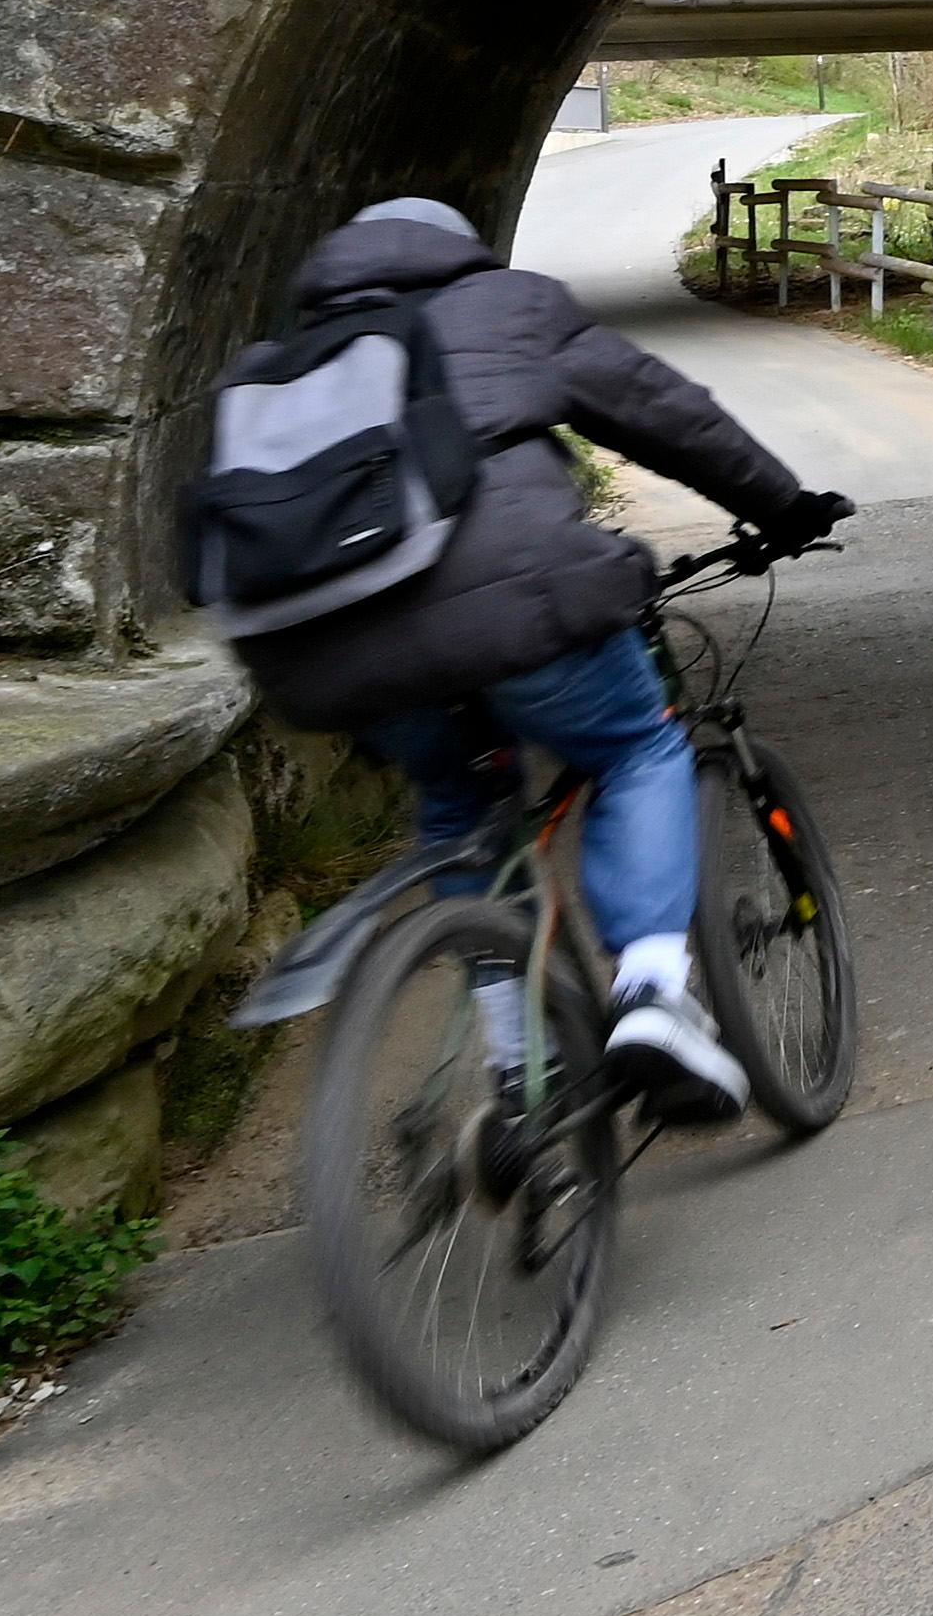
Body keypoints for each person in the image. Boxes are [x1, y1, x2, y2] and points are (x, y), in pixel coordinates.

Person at [224, 195, 848, 1118]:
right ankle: (652, 996)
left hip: (323, 649)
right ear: (456, 248)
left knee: (457, 804)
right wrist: (783, 506)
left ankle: (522, 1064)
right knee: (637, 747)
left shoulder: (280, 364)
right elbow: (666, 414)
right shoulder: (508, 304)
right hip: (511, 599)